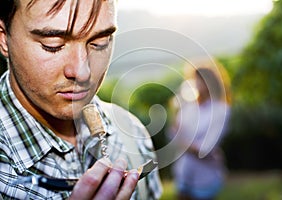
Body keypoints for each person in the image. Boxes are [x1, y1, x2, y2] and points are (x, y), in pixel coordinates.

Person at [0, 0, 162, 199]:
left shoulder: (132, 133)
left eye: (99, 43)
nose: (82, 72)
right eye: (53, 45)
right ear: (3, 38)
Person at [170, 59, 231, 200]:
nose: (196, 85)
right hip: (184, 172)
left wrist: (183, 143)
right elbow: (173, 134)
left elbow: (205, 149)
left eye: (200, 80)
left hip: (205, 177)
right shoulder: (188, 107)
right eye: (195, 80)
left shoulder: (221, 110)